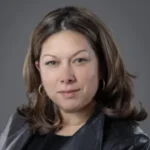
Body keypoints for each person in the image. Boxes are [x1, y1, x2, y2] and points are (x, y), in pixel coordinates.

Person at [0, 5, 149, 150]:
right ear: (39, 69)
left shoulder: (130, 144)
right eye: (52, 62)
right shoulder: (19, 125)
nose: (66, 77)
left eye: (79, 60)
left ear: (102, 66)